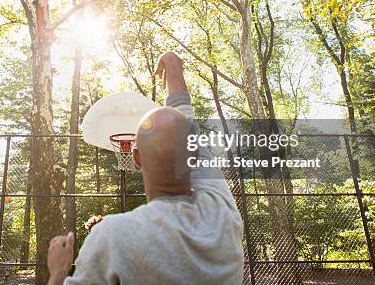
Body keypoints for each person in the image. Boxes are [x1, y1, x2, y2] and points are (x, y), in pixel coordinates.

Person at [47, 51, 244, 284]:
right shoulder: (222, 212)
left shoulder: (113, 239)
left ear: (137, 158)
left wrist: (58, 271)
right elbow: (185, 117)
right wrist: (173, 65)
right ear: (192, 154)